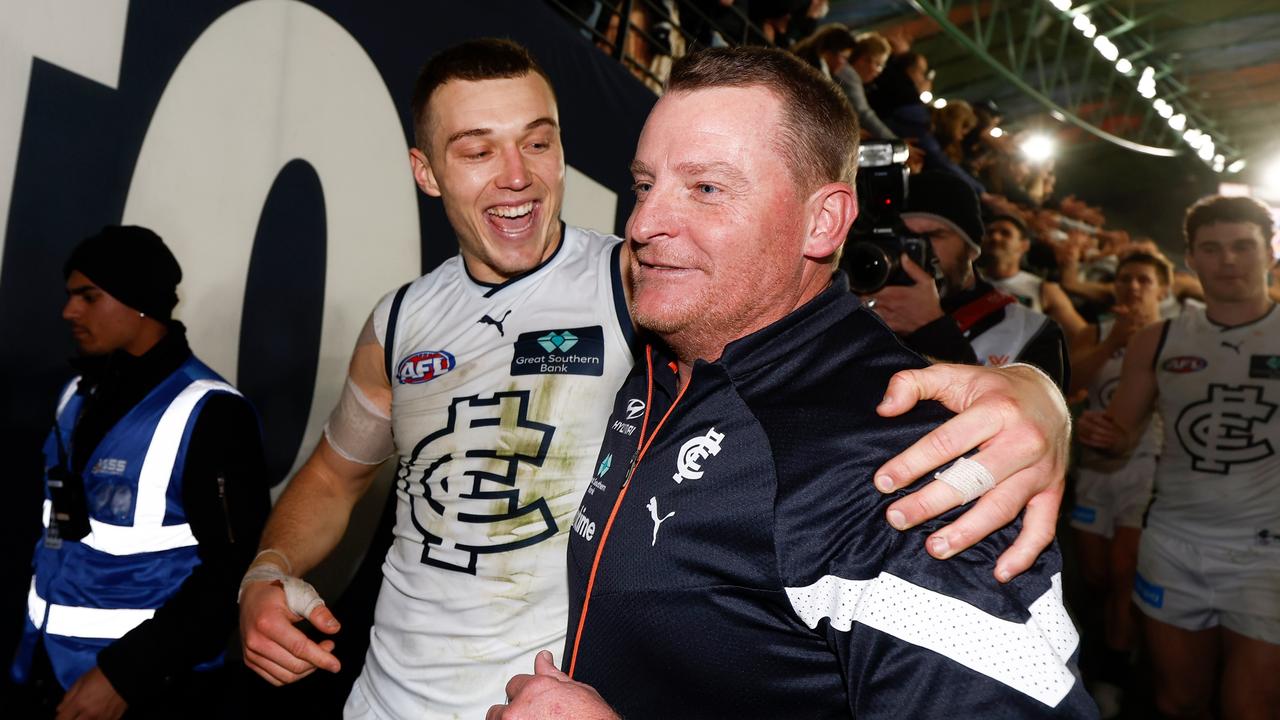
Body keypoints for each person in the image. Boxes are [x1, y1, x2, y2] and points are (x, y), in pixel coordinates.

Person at [239, 39, 1076, 720]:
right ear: (427, 172)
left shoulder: (645, 285)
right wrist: (265, 569)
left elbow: (816, 359)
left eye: (538, 141)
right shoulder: (399, 321)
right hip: (383, 698)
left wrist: (1036, 396)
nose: (517, 176)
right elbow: (332, 475)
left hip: (537, 697)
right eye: (475, 150)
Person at [495, 46, 1094, 720]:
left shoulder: (898, 469)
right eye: (643, 185)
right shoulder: (673, 350)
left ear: (825, 221)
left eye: (706, 188)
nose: (641, 224)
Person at [12, 226, 271, 719]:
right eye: (70, 297)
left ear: (140, 301)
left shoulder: (211, 413)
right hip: (47, 672)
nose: (70, 312)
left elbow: (235, 570)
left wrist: (124, 676)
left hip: (152, 692)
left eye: (88, 297)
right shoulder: (77, 394)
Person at [1077, 195, 1280, 720]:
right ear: (1191, 259)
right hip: (1173, 545)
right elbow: (1121, 437)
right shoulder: (1158, 339)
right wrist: (1100, 435)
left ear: (1270, 252)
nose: (1228, 260)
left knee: (1251, 707)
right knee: (1177, 701)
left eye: (1243, 246)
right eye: (1212, 249)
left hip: (1268, 555)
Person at [1067, 252, 1169, 717]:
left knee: (1126, 570)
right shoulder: (1099, 330)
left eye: (1143, 280)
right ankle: (1112, 643)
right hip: (1095, 470)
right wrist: (1113, 344)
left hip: (1145, 469)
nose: (1132, 287)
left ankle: (1114, 673)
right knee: (1095, 575)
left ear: (1162, 289)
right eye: (1125, 279)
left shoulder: (1175, 336)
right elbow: (1072, 384)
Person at [863, 171, 1070, 388]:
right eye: (904, 236)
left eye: (934, 235)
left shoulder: (1030, 331)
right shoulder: (862, 294)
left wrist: (932, 332)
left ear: (972, 249)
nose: (919, 250)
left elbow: (1028, 419)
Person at [981, 213, 1089, 349]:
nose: (995, 237)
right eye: (990, 233)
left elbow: (1083, 336)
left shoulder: (1043, 289)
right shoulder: (967, 283)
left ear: (1024, 245)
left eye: (1005, 233)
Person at [833, 32, 896, 140]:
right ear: (863, 59)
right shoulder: (849, 75)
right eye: (878, 64)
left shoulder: (849, 74)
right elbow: (864, 114)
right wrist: (894, 142)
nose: (879, 71)